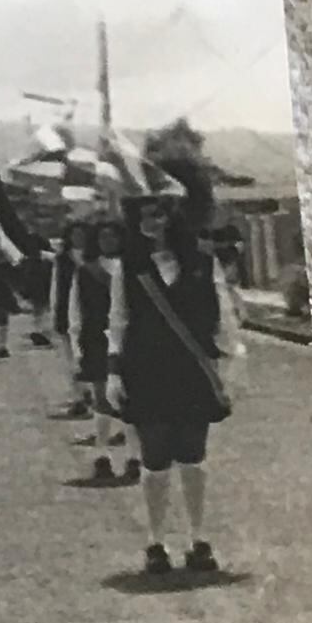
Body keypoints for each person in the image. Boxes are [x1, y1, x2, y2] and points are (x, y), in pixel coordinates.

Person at [107, 187, 245, 575]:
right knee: (154, 457)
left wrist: (233, 362)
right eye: (144, 216)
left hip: (191, 367)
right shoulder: (128, 266)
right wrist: (114, 371)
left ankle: (198, 539)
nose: (152, 223)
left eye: (159, 214)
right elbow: (118, 321)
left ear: (173, 218)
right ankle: (155, 542)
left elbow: (223, 315)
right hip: (145, 369)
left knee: (193, 454)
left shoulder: (202, 261)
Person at [69, 219, 141, 482]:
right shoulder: (86, 271)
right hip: (96, 339)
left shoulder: (134, 269)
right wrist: (76, 346)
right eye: (102, 237)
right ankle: (102, 455)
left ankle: (135, 457)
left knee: (132, 400)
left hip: (129, 339)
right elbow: (75, 310)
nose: (107, 242)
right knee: (102, 400)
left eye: (112, 237)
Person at [55, 221, 94, 416]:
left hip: (91, 310)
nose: (78, 238)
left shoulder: (95, 258)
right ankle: (79, 396)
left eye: (81, 234)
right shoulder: (63, 259)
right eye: (75, 234)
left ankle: (90, 394)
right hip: (66, 310)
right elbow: (57, 286)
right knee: (72, 358)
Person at [16, 235, 54, 347]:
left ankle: (42, 332)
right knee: (41, 310)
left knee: (41, 310)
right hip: (39, 286)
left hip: (42, 286)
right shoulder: (30, 260)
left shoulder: (31, 260)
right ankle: (41, 332)